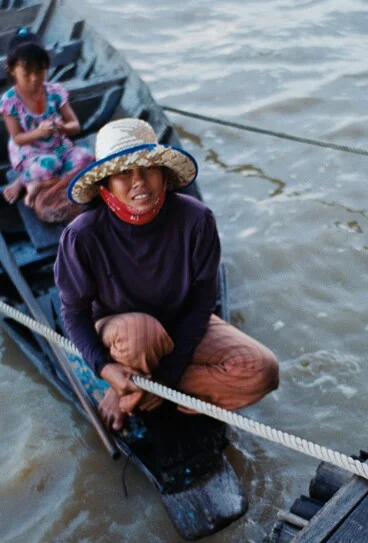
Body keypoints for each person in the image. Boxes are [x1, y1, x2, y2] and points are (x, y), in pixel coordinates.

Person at [54, 118, 279, 430]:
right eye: (123, 173)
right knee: (139, 333)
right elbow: (73, 314)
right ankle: (129, 385)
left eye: (148, 168)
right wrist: (105, 370)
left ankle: (138, 394)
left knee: (261, 370)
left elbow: (203, 303)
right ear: (105, 186)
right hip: (123, 337)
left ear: (163, 173)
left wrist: (164, 379)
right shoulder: (83, 235)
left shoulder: (197, 219)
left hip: (178, 324)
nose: (139, 182)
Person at [0, 28, 94, 223]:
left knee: (87, 158)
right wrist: (38, 132)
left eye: (40, 71)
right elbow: (17, 138)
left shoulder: (55, 91)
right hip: (31, 150)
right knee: (49, 165)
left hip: (58, 146)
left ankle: (36, 184)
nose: (35, 79)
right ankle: (30, 180)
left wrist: (64, 128)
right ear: (11, 70)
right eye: (27, 73)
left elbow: (75, 126)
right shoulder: (10, 101)